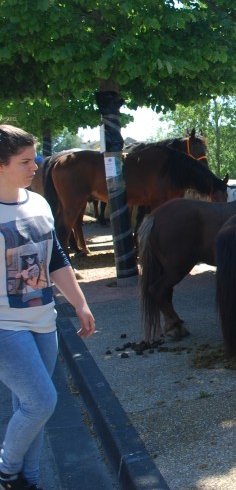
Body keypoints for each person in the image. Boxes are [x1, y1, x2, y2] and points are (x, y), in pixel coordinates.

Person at [0, 124, 96, 490]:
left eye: (35, 158)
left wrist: (80, 304)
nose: (36, 166)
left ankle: (29, 481)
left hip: (45, 322)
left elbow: (55, 259)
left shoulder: (38, 203)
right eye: (25, 161)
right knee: (41, 402)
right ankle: (7, 469)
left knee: (31, 409)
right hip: (5, 326)